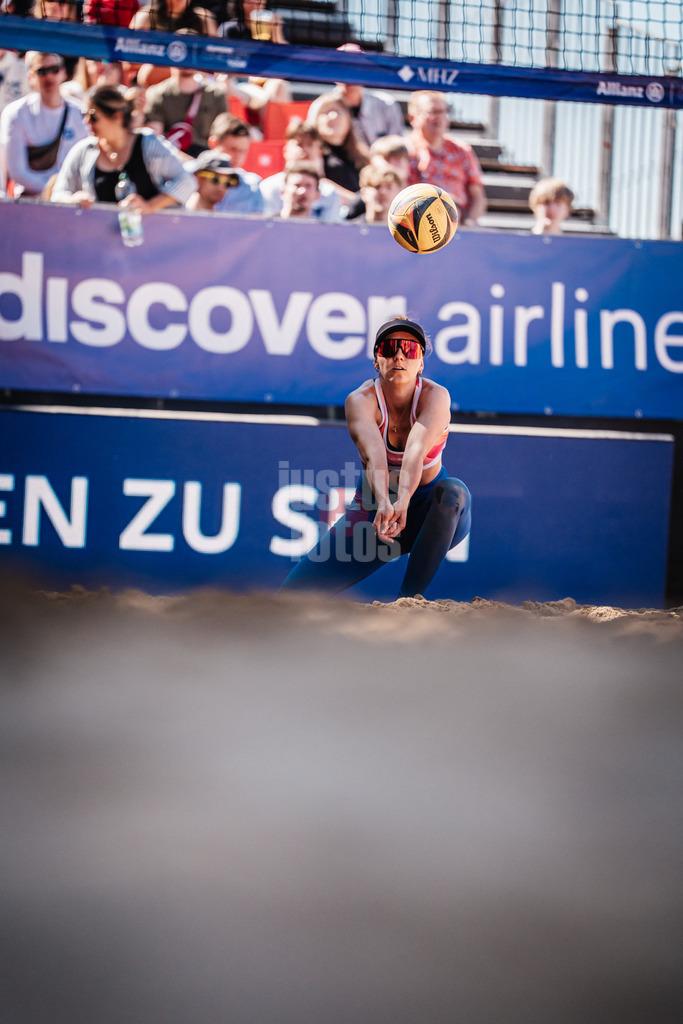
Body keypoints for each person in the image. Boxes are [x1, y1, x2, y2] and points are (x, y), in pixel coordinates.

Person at [280, 315, 472, 599]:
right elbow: (374, 459)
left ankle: (409, 602)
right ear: (376, 360)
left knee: (453, 491)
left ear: (421, 363)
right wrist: (385, 502)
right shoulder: (360, 400)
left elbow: (415, 452)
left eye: (409, 350)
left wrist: (402, 502)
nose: (398, 356)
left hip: (433, 514)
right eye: (389, 348)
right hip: (374, 512)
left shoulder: (435, 396)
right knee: (289, 600)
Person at [50, 84, 197, 210]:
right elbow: (58, 194)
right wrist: (73, 199)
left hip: (153, 237)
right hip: (101, 238)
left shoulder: (148, 143)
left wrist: (149, 206)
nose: (86, 122)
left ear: (117, 116)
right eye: (84, 115)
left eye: (93, 116)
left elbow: (187, 183)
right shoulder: (83, 150)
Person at [0, 51, 89, 198]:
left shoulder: (80, 112)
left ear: (63, 72)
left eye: (54, 69)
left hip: (73, 198)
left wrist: (65, 194)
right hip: (31, 201)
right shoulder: (16, 113)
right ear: (30, 77)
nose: (49, 76)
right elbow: (17, 171)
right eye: (41, 71)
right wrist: (54, 192)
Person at [406, 90, 486, 226]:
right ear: (413, 117)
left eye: (444, 111)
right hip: (417, 227)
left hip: (456, 226)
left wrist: (469, 222)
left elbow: (477, 195)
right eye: (433, 112)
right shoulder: (404, 149)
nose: (440, 117)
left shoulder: (462, 150)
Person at [259, 119, 341, 221]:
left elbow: (332, 231)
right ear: (285, 150)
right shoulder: (269, 187)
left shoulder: (328, 192)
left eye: (310, 145)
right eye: (299, 144)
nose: (305, 150)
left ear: (319, 152)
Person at [332, 44, 406, 148]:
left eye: (357, 66)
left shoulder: (386, 104)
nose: (351, 73)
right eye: (344, 67)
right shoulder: (323, 108)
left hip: (382, 163)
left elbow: (398, 148)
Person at [144, 65, 229, 155]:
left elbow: (223, 139)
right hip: (170, 159)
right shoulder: (156, 94)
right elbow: (155, 141)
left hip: (206, 159)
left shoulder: (216, 95)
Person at [305, 91, 369, 204]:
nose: (333, 116)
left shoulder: (362, 154)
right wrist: (357, 201)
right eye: (326, 112)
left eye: (338, 111)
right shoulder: (311, 152)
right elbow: (316, 185)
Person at [208, 112, 263, 213]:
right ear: (214, 144)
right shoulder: (190, 175)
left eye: (243, 151)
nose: (238, 157)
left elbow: (257, 225)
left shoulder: (252, 185)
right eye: (232, 149)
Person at [185, 147, 240, 211]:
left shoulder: (221, 218)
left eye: (228, 182)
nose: (221, 187)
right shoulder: (179, 214)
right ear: (197, 177)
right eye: (215, 179)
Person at [128, 0, 217, 34]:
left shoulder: (204, 18)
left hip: (195, 74)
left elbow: (215, 59)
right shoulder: (145, 16)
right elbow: (129, 61)